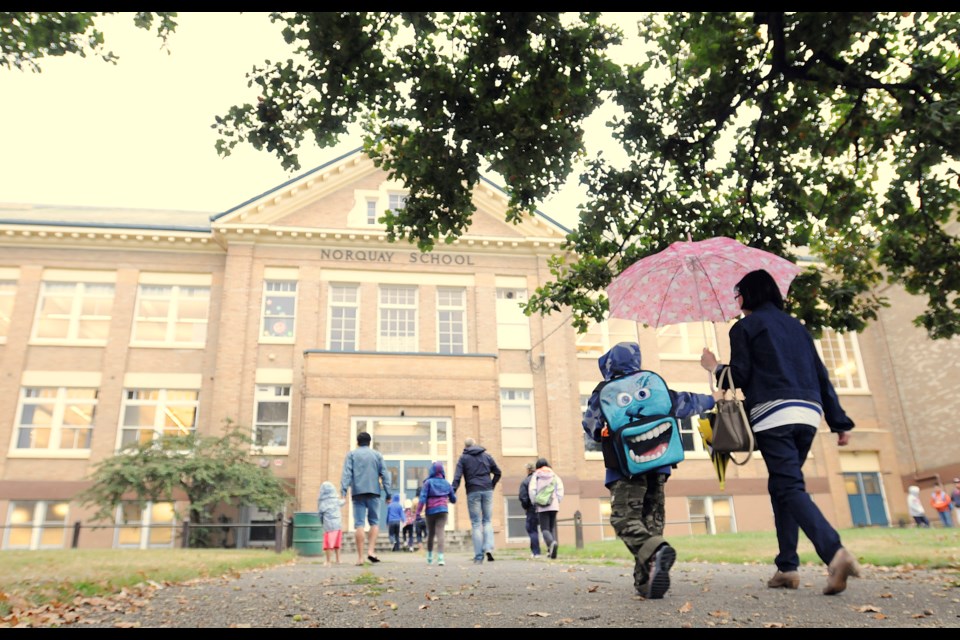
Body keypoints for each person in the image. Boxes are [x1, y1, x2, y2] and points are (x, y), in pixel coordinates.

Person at [700, 268, 860, 596]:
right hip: (808, 414)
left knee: (788, 487)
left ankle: (834, 552)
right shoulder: (798, 327)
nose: (736, 300)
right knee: (782, 485)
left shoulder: (744, 327)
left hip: (773, 415)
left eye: (738, 294)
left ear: (750, 295)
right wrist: (839, 421)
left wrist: (713, 367)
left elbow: (740, 375)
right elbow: (822, 375)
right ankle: (787, 567)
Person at [583, 341, 716, 599]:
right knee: (651, 523)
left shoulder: (604, 392)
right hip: (660, 464)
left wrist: (605, 430)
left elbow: (591, 428)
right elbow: (683, 403)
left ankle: (655, 553)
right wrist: (712, 399)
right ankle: (646, 584)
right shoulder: (652, 384)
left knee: (624, 519)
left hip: (625, 468)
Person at [340, 431, 390, 566]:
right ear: (370, 442)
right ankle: (371, 551)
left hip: (357, 493)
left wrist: (343, 490)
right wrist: (388, 493)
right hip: (374, 492)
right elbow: (385, 474)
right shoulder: (377, 455)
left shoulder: (351, 455)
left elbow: (346, 473)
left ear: (357, 442)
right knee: (374, 522)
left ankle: (360, 558)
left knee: (359, 524)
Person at [451, 437, 502, 564]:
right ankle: (489, 547)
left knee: (475, 523)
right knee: (487, 521)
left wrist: (452, 492)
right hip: (487, 489)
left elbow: (457, 477)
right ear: (475, 445)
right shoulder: (486, 456)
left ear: (466, 447)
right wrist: (491, 485)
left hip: (473, 491)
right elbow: (498, 472)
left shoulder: (463, 458)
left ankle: (479, 556)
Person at [416, 460, 457, 566]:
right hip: (443, 510)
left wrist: (417, 513)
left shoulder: (428, 482)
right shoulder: (447, 483)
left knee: (431, 533)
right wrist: (449, 496)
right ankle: (440, 558)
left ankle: (429, 556)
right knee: (440, 532)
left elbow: (422, 498)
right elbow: (453, 499)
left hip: (430, 511)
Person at [527, 458, 564, 559]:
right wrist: (557, 501)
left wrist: (535, 501)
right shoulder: (554, 475)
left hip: (542, 506)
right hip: (554, 504)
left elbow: (532, 490)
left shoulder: (536, 475)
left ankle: (552, 544)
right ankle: (551, 551)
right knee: (551, 528)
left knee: (544, 529)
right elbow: (560, 489)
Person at [317, 480, 346, 566]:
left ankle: (328, 561)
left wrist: (322, 522)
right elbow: (343, 502)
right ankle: (338, 559)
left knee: (328, 545)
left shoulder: (322, 503)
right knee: (337, 544)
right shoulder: (336, 501)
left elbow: (320, 515)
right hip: (338, 526)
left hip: (329, 527)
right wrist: (344, 496)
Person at [517, 461, 542, 558]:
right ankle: (549, 550)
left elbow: (523, 497)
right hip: (545, 506)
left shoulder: (526, 481)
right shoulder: (541, 479)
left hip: (532, 508)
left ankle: (536, 552)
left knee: (532, 529)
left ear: (528, 470)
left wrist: (526, 507)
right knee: (546, 528)